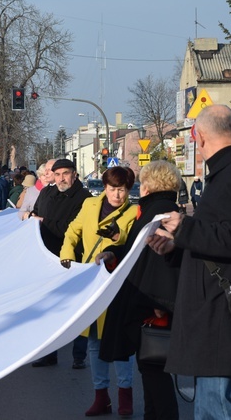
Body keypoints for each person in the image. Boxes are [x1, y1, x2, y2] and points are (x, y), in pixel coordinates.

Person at [147, 105, 231, 419]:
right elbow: (219, 236)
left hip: (221, 319)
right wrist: (177, 244)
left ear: (197, 137)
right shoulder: (228, 173)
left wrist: (185, 228)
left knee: (218, 410)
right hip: (216, 317)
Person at [98, 160, 182, 420]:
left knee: (155, 370)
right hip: (151, 301)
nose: (140, 187)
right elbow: (138, 250)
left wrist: (157, 302)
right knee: (150, 369)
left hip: (154, 305)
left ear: (150, 185)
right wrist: (114, 253)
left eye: (143, 182)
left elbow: (159, 259)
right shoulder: (157, 208)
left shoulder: (161, 210)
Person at [59, 167, 138, 417]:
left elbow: (128, 240)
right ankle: (101, 396)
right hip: (91, 282)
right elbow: (73, 231)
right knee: (94, 341)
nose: (118, 194)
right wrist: (67, 256)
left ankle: (125, 394)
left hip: (117, 283)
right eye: (113, 188)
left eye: (123, 189)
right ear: (105, 187)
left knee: (121, 342)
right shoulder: (91, 205)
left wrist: (116, 238)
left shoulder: (134, 211)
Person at [29, 158, 91, 369]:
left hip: (72, 259)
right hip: (46, 258)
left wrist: (44, 222)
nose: (61, 178)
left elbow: (71, 228)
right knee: (49, 308)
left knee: (76, 308)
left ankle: (79, 355)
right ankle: (49, 352)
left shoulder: (85, 198)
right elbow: (36, 214)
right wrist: (31, 219)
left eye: (66, 173)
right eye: (57, 174)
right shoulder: (47, 192)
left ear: (74, 174)